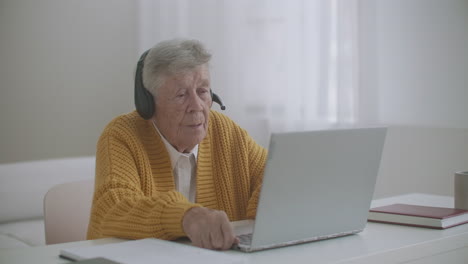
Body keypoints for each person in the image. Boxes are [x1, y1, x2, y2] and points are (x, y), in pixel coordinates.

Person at [87, 39, 267, 250]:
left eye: (202, 91)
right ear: (148, 105)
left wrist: (266, 209)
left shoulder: (227, 133)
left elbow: (275, 178)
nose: (197, 107)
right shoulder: (121, 136)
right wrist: (185, 216)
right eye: (181, 95)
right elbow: (113, 207)